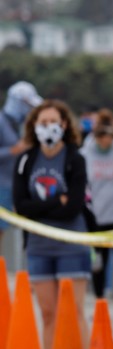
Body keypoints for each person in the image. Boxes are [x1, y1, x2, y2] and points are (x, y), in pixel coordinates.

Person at [12, 99, 90, 349]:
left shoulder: (75, 158)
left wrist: (41, 208)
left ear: (64, 124)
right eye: (42, 122)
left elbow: (75, 205)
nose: (48, 128)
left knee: (74, 312)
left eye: (53, 122)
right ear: (33, 126)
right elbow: (21, 206)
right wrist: (58, 200)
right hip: (38, 248)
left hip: (71, 245)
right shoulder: (26, 160)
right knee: (48, 314)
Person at [80, 109, 113, 303]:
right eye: (102, 136)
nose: (106, 140)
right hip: (96, 216)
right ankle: (99, 299)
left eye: (109, 136)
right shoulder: (86, 153)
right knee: (98, 263)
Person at [0, 81, 42, 240]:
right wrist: (13, 150)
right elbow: (15, 150)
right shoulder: (1, 122)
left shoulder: (20, 124)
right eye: (27, 104)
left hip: (16, 186)